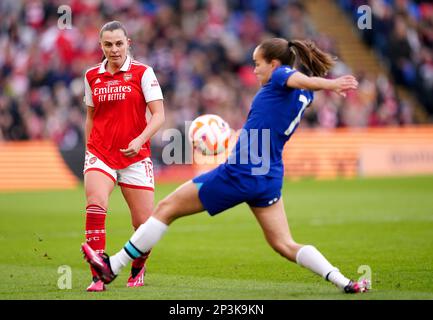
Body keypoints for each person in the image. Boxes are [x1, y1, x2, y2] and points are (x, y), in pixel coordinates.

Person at [82, 38, 369, 294]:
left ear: (274, 64)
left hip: (241, 171)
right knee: (283, 244)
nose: (255, 70)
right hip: (267, 174)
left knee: (165, 209)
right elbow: (293, 93)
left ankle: (113, 266)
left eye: (257, 64)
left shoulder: (281, 77)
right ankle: (344, 281)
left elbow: (293, 77)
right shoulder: (304, 97)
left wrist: (332, 84)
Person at [82, 21, 165, 291]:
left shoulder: (143, 72)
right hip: (100, 153)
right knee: (95, 204)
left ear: (128, 43)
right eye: (108, 44)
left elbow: (159, 115)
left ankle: (137, 269)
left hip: (136, 156)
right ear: (101, 46)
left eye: (119, 43)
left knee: (143, 224)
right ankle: (98, 276)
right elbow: (90, 117)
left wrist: (140, 139)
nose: (114, 49)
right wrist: (88, 150)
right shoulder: (91, 75)